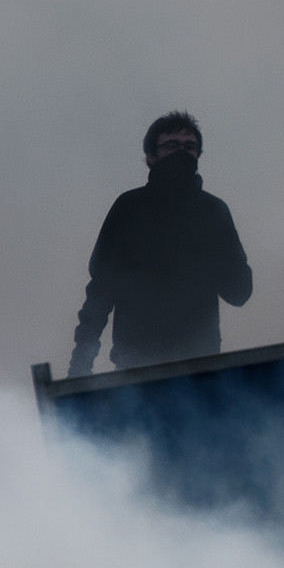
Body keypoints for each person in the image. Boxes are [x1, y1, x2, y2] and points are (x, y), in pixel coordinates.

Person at [68, 112, 253, 375]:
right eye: (172, 146)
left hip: (200, 367)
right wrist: (81, 361)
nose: (181, 154)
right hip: (136, 366)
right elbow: (101, 290)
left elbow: (240, 292)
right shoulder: (129, 209)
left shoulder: (213, 212)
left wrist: (211, 251)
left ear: (199, 155)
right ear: (151, 157)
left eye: (189, 147)